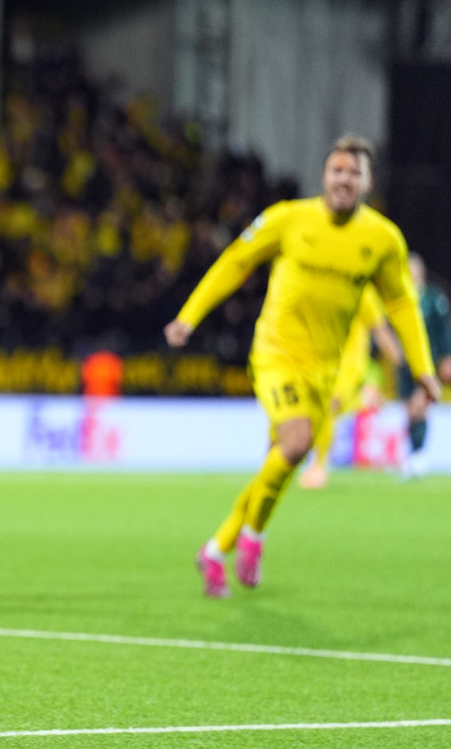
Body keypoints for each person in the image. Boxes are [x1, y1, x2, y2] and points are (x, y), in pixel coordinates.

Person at [164, 135, 440, 599]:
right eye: (337, 170)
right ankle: (251, 536)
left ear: (368, 183)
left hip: (325, 368)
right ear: (324, 176)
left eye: (354, 172)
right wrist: (189, 317)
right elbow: (236, 262)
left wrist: (424, 368)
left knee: (282, 459)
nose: (344, 179)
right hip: (276, 355)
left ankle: (219, 548)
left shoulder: (381, 239)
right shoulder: (288, 219)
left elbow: (401, 305)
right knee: (296, 442)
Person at [298, 285, 400, 489]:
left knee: (329, 408)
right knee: (324, 410)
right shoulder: (327, 290)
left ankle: (318, 466)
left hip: (349, 366)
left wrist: (399, 358)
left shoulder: (364, 293)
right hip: (326, 361)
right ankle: (363, 401)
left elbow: (379, 329)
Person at [397, 252, 451, 479]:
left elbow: (443, 331)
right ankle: (413, 453)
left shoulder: (433, 298)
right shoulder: (399, 299)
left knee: (421, 405)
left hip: (427, 363)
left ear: (420, 272)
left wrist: (447, 357)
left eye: (413, 270)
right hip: (404, 364)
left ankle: (419, 455)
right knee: (410, 409)